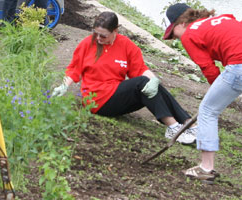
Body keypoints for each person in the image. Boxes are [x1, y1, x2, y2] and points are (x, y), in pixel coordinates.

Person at [163, 3, 242, 196]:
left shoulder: (189, 34)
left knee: (207, 110)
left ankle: (205, 169)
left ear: (180, 24)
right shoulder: (221, 19)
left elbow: (208, 68)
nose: (176, 38)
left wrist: (220, 92)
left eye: (173, 34)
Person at [52, 11, 197, 145]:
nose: (99, 38)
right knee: (143, 82)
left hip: (116, 96)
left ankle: (189, 124)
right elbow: (74, 69)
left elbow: (139, 69)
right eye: (96, 34)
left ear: (115, 31)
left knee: (150, 84)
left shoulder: (126, 45)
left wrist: (154, 79)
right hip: (96, 100)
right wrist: (64, 85)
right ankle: (173, 128)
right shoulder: (87, 44)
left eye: (103, 35)